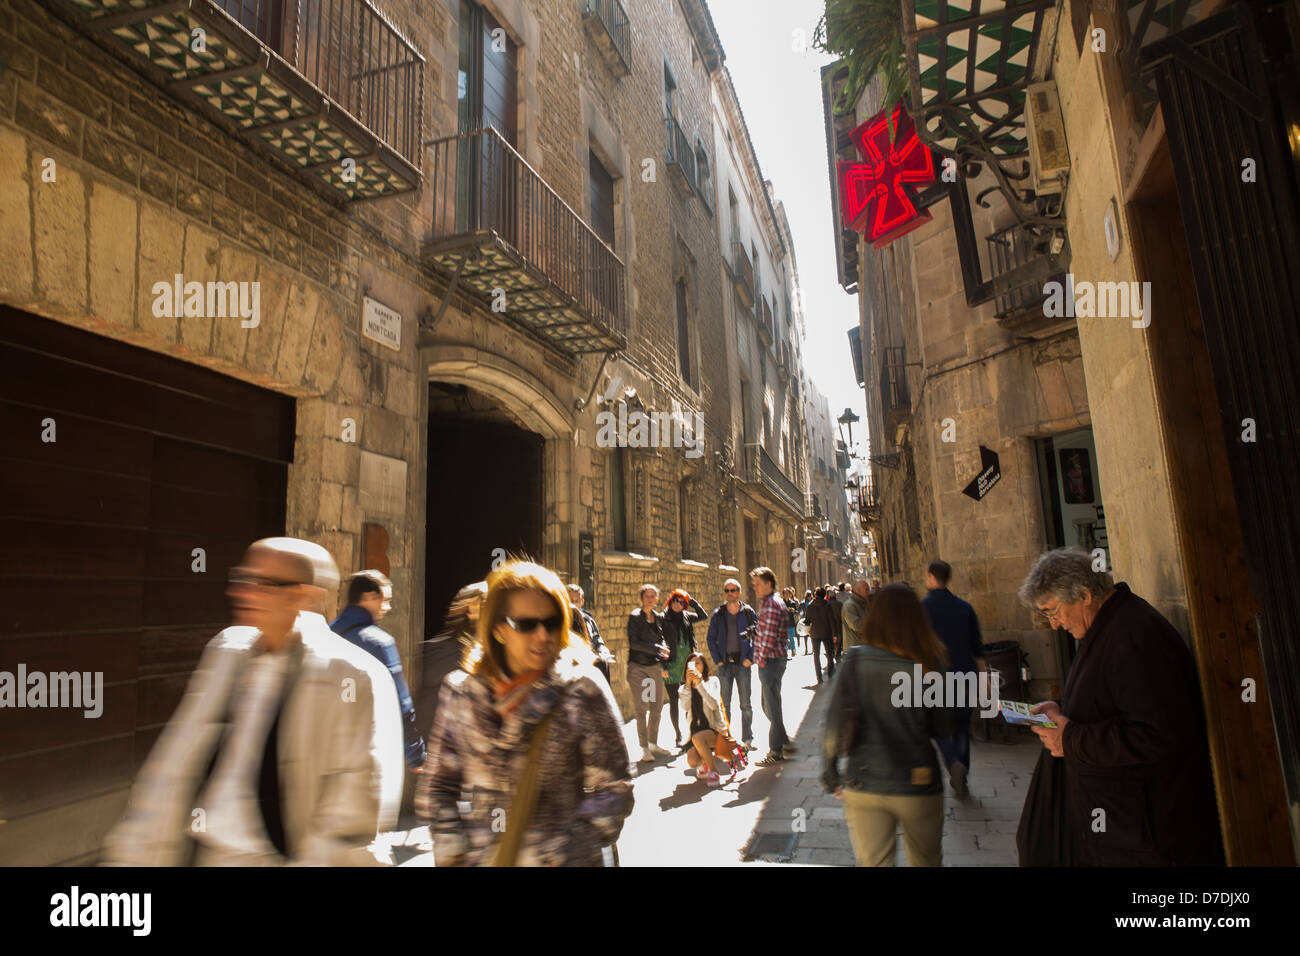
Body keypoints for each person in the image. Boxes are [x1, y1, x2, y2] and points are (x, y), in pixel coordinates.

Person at [102, 538, 404, 866]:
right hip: (210, 855)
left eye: (265, 584)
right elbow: (173, 764)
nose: (243, 593)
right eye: (242, 580)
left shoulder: (355, 675)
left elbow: (352, 812)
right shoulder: (225, 652)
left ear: (304, 594)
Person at [416, 559, 633, 866]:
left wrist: (562, 852)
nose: (543, 635)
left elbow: (614, 789)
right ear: (499, 628)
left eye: (553, 622)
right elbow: (439, 786)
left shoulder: (580, 689)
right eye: (527, 624)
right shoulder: (462, 692)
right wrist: (454, 849)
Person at [1015, 548, 1224, 866]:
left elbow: (1155, 733)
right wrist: (1060, 709)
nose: (1054, 624)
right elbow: (1110, 700)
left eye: (1052, 611)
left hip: (1146, 834)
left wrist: (1068, 738)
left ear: (1084, 595)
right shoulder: (1106, 629)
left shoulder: (1134, 635)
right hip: (1123, 828)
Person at [822, 583, 957, 867]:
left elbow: (834, 723)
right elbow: (945, 726)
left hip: (864, 780)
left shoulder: (855, 660)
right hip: (918, 779)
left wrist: (830, 773)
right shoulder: (930, 661)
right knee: (927, 861)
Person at [330, 570, 426, 772]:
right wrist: (416, 755)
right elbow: (401, 704)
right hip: (367, 756)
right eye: (384, 600)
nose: (388, 608)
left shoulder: (326, 635)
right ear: (368, 597)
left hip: (326, 751)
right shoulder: (380, 644)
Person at [921, 560, 985, 797]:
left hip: (934, 676)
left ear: (930, 577)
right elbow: (977, 647)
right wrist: (985, 679)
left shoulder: (922, 608)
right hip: (965, 673)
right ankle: (962, 772)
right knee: (961, 726)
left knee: (937, 726)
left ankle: (952, 761)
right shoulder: (964, 607)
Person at [705, 579, 757, 751]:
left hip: (743, 664)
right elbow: (710, 638)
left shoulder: (748, 612)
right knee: (724, 705)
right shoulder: (718, 614)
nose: (730, 593)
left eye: (733, 590)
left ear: (739, 592)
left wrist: (751, 657)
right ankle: (725, 738)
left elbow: (758, 636)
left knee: (745, 704)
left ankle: (747, 739)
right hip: (725, 664)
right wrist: (717, 659)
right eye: (727, 590)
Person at [750, 566, 794, 767]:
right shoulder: (771, 603)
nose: (755, 587)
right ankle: (784, 742)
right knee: (769, 704)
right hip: (774, 660)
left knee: (771, 705)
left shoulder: (771, 606)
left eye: (758, 583)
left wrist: (758, 659)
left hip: (770, 661)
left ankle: (776, 750)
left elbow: (767, 639)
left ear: (768, 584)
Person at [626, 583, 672, 762]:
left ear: (657, 599)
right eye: (647, 596)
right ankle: (644, 747)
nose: (650, 599)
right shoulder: (635, 617)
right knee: (641, 708)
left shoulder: (658, 617)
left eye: (653, 596)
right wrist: (658, 648)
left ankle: (653, 743)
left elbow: (663, 640)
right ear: (642, 598)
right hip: (638, 668)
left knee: (656, 707)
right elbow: (634, 643)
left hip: (654, 668)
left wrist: (664, 651)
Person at [679, 653, 741, 786]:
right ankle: (706, 762)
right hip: (695, 731)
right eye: (692, 664)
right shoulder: (683, 688)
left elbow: (714, 704)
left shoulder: (712, 681)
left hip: (713, 729)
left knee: (698, 738)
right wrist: (689, 686)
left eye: (698, 663)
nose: (695, 667)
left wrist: (700, 684)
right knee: (692, 762)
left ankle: (714, 771)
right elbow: (684, 706)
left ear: (704, 666)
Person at [661, 589, 706, 750]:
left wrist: (692, 601)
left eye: (682, 602)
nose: (678, 605)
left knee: (689, 698)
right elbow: (659, 643)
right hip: (671, 664)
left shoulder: (687, 616)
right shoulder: (663, 618)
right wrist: (662, 666)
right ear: (670, 601)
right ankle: (678, 734)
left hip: (687, 662)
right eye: (675, 601)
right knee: (674, 699)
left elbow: (703, 616)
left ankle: (690, 733)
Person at [567, 583, 615, 685]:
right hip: (572, 662)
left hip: (590, 660)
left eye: (577, 601)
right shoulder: (562, 621)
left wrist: (603, 651)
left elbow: (598, 640)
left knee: (603, 664)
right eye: (571, 601)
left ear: (582, 602)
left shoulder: (588, 620)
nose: (574, 604)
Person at [805, 586, 840, 685]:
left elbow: (807, 620)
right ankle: (830, 674)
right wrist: (835, 634)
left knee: (816, 655)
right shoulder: (827, 605)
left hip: (815, 633)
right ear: (825, 595)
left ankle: (819, 678)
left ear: (815, 594)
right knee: (830, 654)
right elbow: (832, 620)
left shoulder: (810, 606)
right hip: (827, 632)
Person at [841, 578, 872, 651]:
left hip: (863, 647)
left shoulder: (865, 603)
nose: (869, 592)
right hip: (855, 649)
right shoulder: (849, 605)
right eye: (867, 589)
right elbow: (856, 625)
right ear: (858, 590)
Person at [781, 587, 799, 659]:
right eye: (785, 593)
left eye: (788, 593)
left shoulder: (793, 603)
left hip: (791, 623)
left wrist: (793, 610)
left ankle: (793, 649)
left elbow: (797, 612)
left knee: (791, 638)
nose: (787, 595)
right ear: (783, 594)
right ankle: (785, 653)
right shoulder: (781, 602)